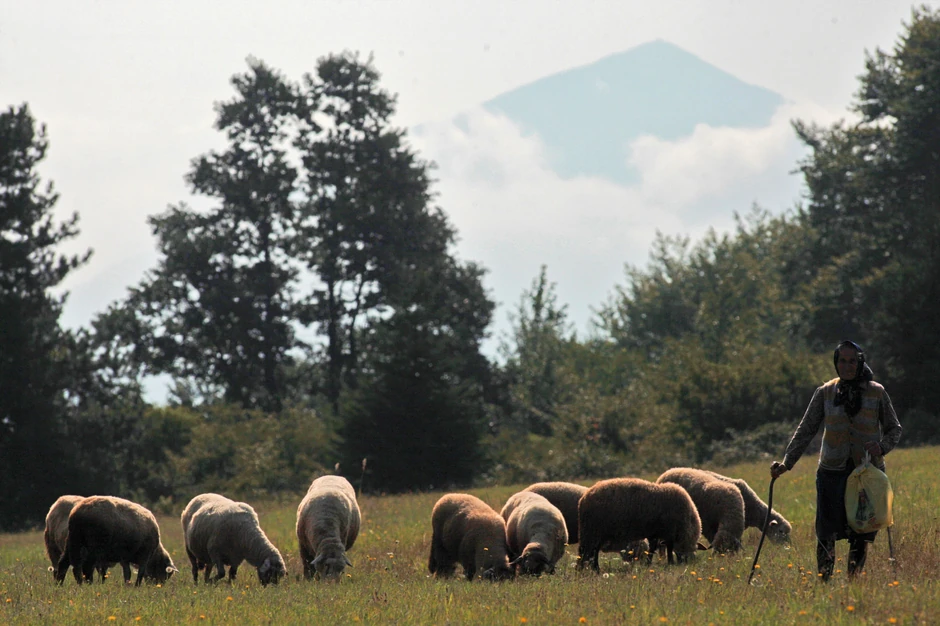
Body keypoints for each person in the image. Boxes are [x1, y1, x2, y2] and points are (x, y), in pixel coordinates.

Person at [770, 340, 902, 581]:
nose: (847, 366)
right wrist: (787, 463)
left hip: (866, 473)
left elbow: (894, 428)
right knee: (826, 531)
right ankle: (824, 581)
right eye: (842, 361)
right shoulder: (825, 393)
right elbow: (806, 430)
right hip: (831, 473)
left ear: (860, 363)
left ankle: (854, 581)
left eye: (852, 361)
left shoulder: (877, 392)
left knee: (861, 530)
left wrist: (881, 447)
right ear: (836, 363)